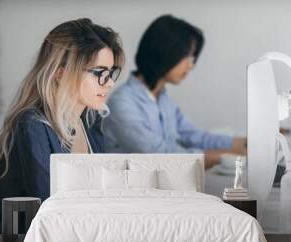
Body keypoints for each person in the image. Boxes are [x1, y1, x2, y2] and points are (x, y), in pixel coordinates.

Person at [0, 18, 124, 233]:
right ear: (62, 73)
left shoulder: (90, 122)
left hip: (70, 240)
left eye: (111, 72)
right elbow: (49, 207)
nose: (110, 82)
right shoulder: (31, 125)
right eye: (99, 73)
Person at [103, 15, 246, 168]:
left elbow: (193, 136)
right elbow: (159, 156)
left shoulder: (163, 98)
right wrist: (223, 156)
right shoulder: (122, 103)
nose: (191, 66)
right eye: (187, 57)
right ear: (166, 52)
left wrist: (244, 143)